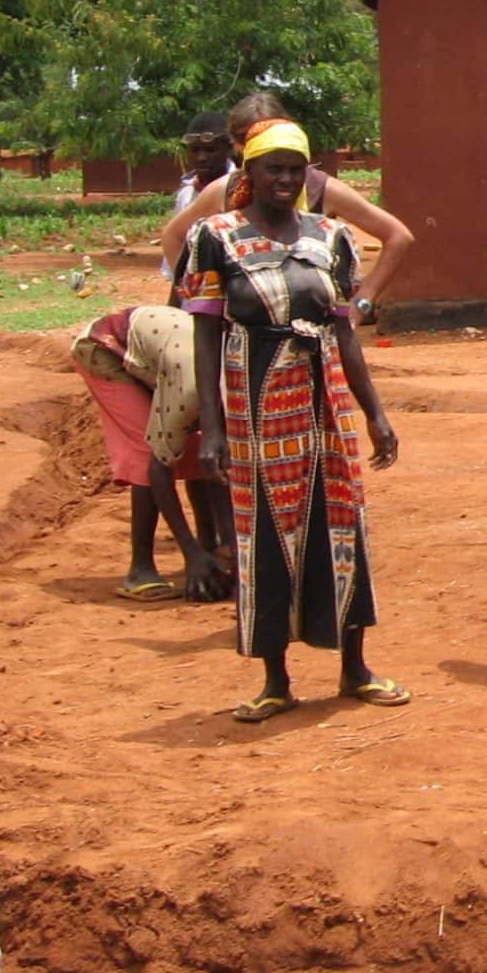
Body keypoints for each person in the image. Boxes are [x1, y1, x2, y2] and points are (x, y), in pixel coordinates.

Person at [180, 120, 407, 722]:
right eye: (272, 168)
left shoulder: (331, 237)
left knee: (340, 528)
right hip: (256, 408)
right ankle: (275, 679)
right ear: (248, 173)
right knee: (263, 539)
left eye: (294, 168)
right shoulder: (215, 237)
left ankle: (355, 669)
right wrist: (213, 426)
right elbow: (204, 335)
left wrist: (375, 413)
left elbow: (343, 331)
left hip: (324, 405)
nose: (284, 179)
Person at [159, 92, 414, 320]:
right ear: (240, 148)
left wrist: (362, 304)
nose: (283, 177)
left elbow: (397, 236)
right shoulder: (224, 192)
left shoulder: (321, 190)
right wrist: (201, 300)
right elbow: (173, 236)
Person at [69, 304, 230, 603]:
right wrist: (190, 553)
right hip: (106, 350)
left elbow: (222, 466)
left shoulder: (237, 393)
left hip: (163, 352)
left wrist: (228, 546)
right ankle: (140, 569)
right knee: (146, 453)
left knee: (201, 449)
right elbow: (159, 465)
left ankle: (210, 547)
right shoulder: (190, 392)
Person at [163, 112, 235, 281]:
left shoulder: (241, 188)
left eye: (210, 150)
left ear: (229, 148)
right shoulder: (186, 194)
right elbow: (176, 243)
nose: (201, 158)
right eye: (195, 150)